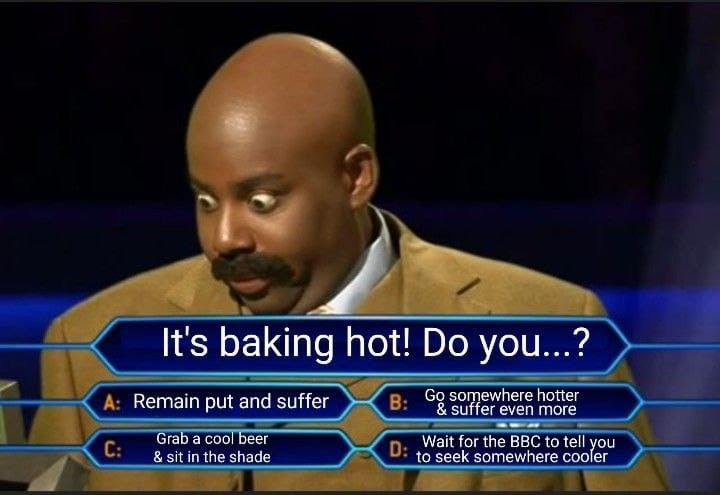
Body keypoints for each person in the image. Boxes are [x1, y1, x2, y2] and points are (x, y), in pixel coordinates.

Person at [30, 33, 667, 490]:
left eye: (261, 200)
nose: (224, 237)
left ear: (356, 177)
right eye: (205, 200)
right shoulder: (90, 353)